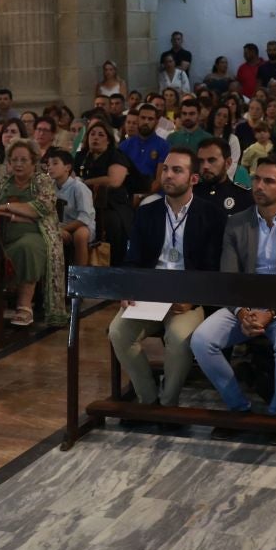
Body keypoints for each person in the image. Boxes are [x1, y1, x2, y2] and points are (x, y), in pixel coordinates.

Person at [188, 156, 276, 416]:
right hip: (244, 304)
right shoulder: (236, 222)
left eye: (268, 181)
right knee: (201, 340)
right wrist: (243, 313)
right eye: (256, 179)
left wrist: (270, 313)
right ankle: (239, 406)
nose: (259, 186)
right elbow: (229, 277)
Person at [107, 148, 222, 406]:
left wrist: (192, 300)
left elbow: (213, 267)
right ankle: (148, 399)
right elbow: (133, 259)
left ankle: (168, 404)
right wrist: (129, 288)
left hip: (187, 296)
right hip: (151, 294)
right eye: (166, 169)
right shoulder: (148, 211)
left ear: (193, 178)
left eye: (177, 170)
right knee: (118, 332)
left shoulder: (210, 214)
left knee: (179, 338)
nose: (168, 175)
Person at [0, 140, 64, 328]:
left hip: (37, 235)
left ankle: (24, 306)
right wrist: (20, 215)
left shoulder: (42, 181)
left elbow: (41, 207)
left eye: (23, 160)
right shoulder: (3, 182)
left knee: (27, 247)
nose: (18, 164)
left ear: (33, 161)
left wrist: (8, 208)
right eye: (14, 160)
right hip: (1, 236)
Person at [75, 118, 137, 263]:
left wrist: (84, 183)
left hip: (112, 203)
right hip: (83, 203)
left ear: (108, 140)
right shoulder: (80, 157)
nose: (96, 137)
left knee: (111, 223)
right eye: (92, 134)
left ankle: (112, 263)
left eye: (101, 135)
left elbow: (114, 181)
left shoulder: (116, 155)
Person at [44, 147, 95, 271]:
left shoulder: (79, 187)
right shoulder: (49, 187)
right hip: (57, 226)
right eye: (48, 164)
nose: (50, 167)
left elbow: (84, 218)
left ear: (67, 167)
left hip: (79, 226)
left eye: (55, 163)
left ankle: (79, 275)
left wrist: (61, 229)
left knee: (80, 234)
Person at [118, 102, 170, 184]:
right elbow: (118, 175)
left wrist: (142, 196)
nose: (146, 122)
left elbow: (159, 180)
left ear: (156, 122)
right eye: (143, 118)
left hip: (152, 193)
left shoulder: (163, 146)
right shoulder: (125, 145)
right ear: (138, 119)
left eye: (150, 119)